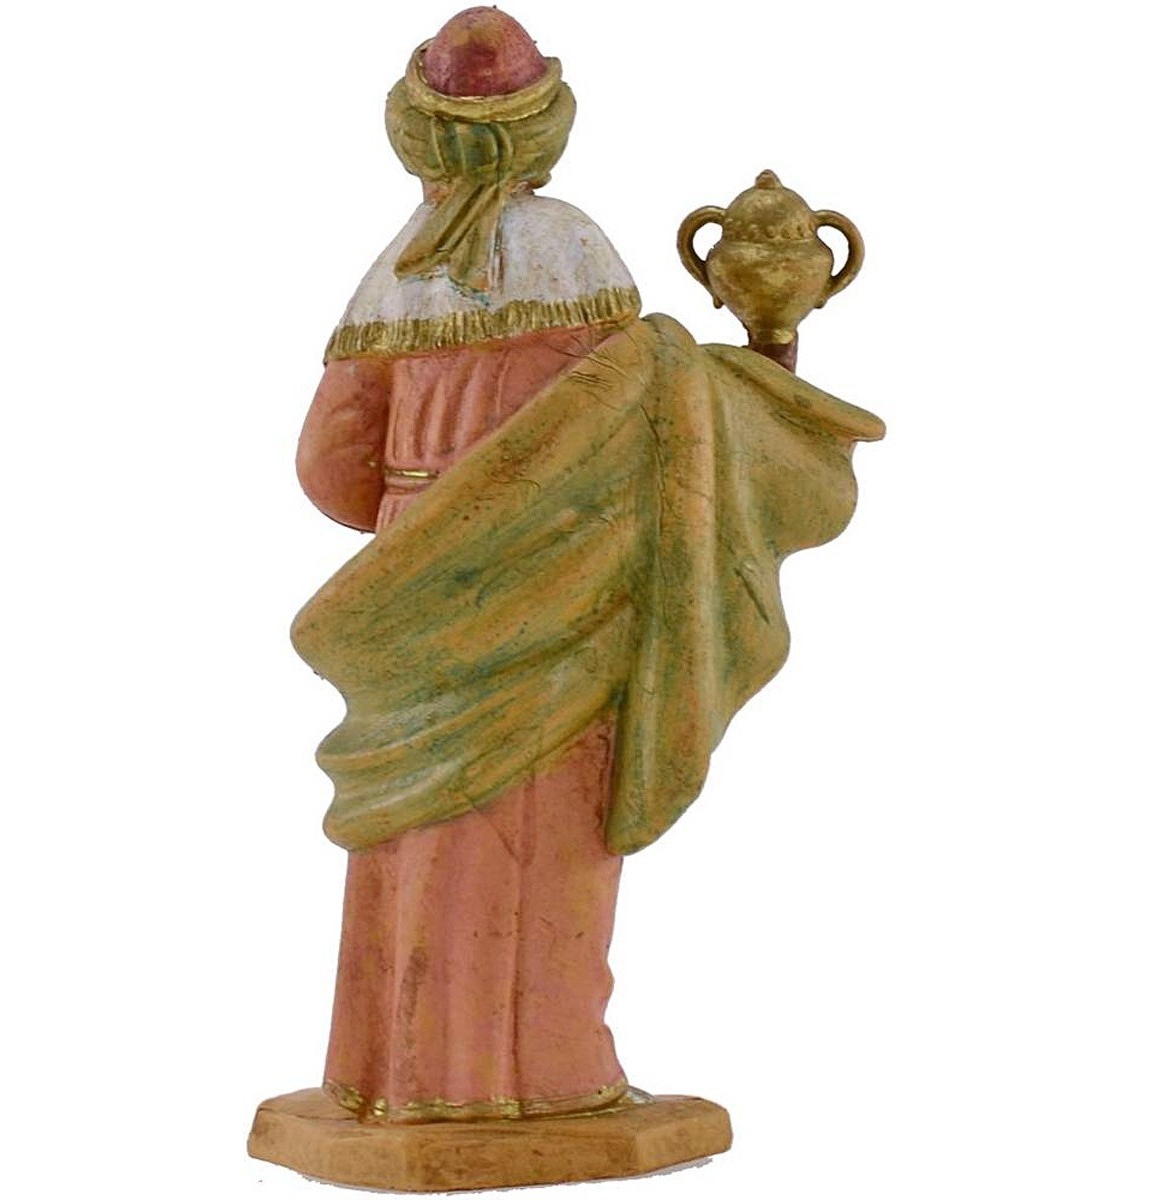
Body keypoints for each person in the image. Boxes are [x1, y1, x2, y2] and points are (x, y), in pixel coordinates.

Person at [293, 6, 883, 1124]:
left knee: (417, 836)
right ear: (547, 130)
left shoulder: (393, 275)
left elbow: (329, 469)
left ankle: (399, 1082)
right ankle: (548, 1080)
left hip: (417, 587)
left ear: (413, 136)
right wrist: (769, 357)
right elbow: (665, 419)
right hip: (569, 595)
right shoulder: (580, 259)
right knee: (549, 835)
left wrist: (428, 517)